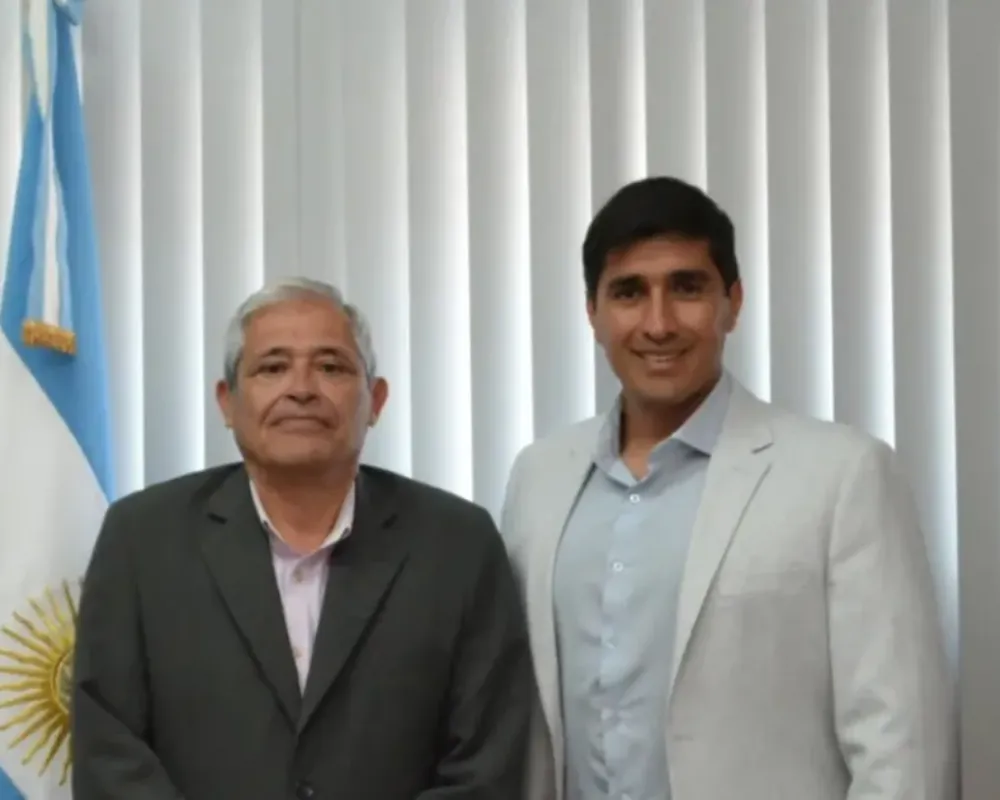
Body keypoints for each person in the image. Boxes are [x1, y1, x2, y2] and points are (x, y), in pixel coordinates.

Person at [500, 176, 957, 800]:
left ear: (732, 303)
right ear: (593, 314)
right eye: (629, 292)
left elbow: (901, 740)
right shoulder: (538, 478)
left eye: (687, 288)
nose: (658, 323)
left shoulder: (841, 475)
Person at [72, 277, 532, 799]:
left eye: (331, 366)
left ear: (375, 400)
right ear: (227, 402)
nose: (302, 389)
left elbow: (486, 763)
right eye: (272, 367)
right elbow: (109, 747)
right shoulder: (142, 539)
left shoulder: (457, 545)